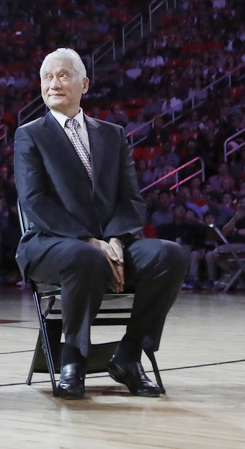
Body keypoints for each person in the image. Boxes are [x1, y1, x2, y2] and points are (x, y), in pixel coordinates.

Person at [15, 48, 187, 400]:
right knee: (86, 256)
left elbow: (132, 200)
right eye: (47, 77)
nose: (54, 83)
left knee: (172, 256)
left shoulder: (113, 134)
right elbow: (35, 202)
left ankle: (129, 355)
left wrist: (116, 241)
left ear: (85, 84)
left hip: (110, 243)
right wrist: (89, 241)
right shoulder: (30, 134)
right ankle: (73, 360)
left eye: (63, 75)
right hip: (49, 243)